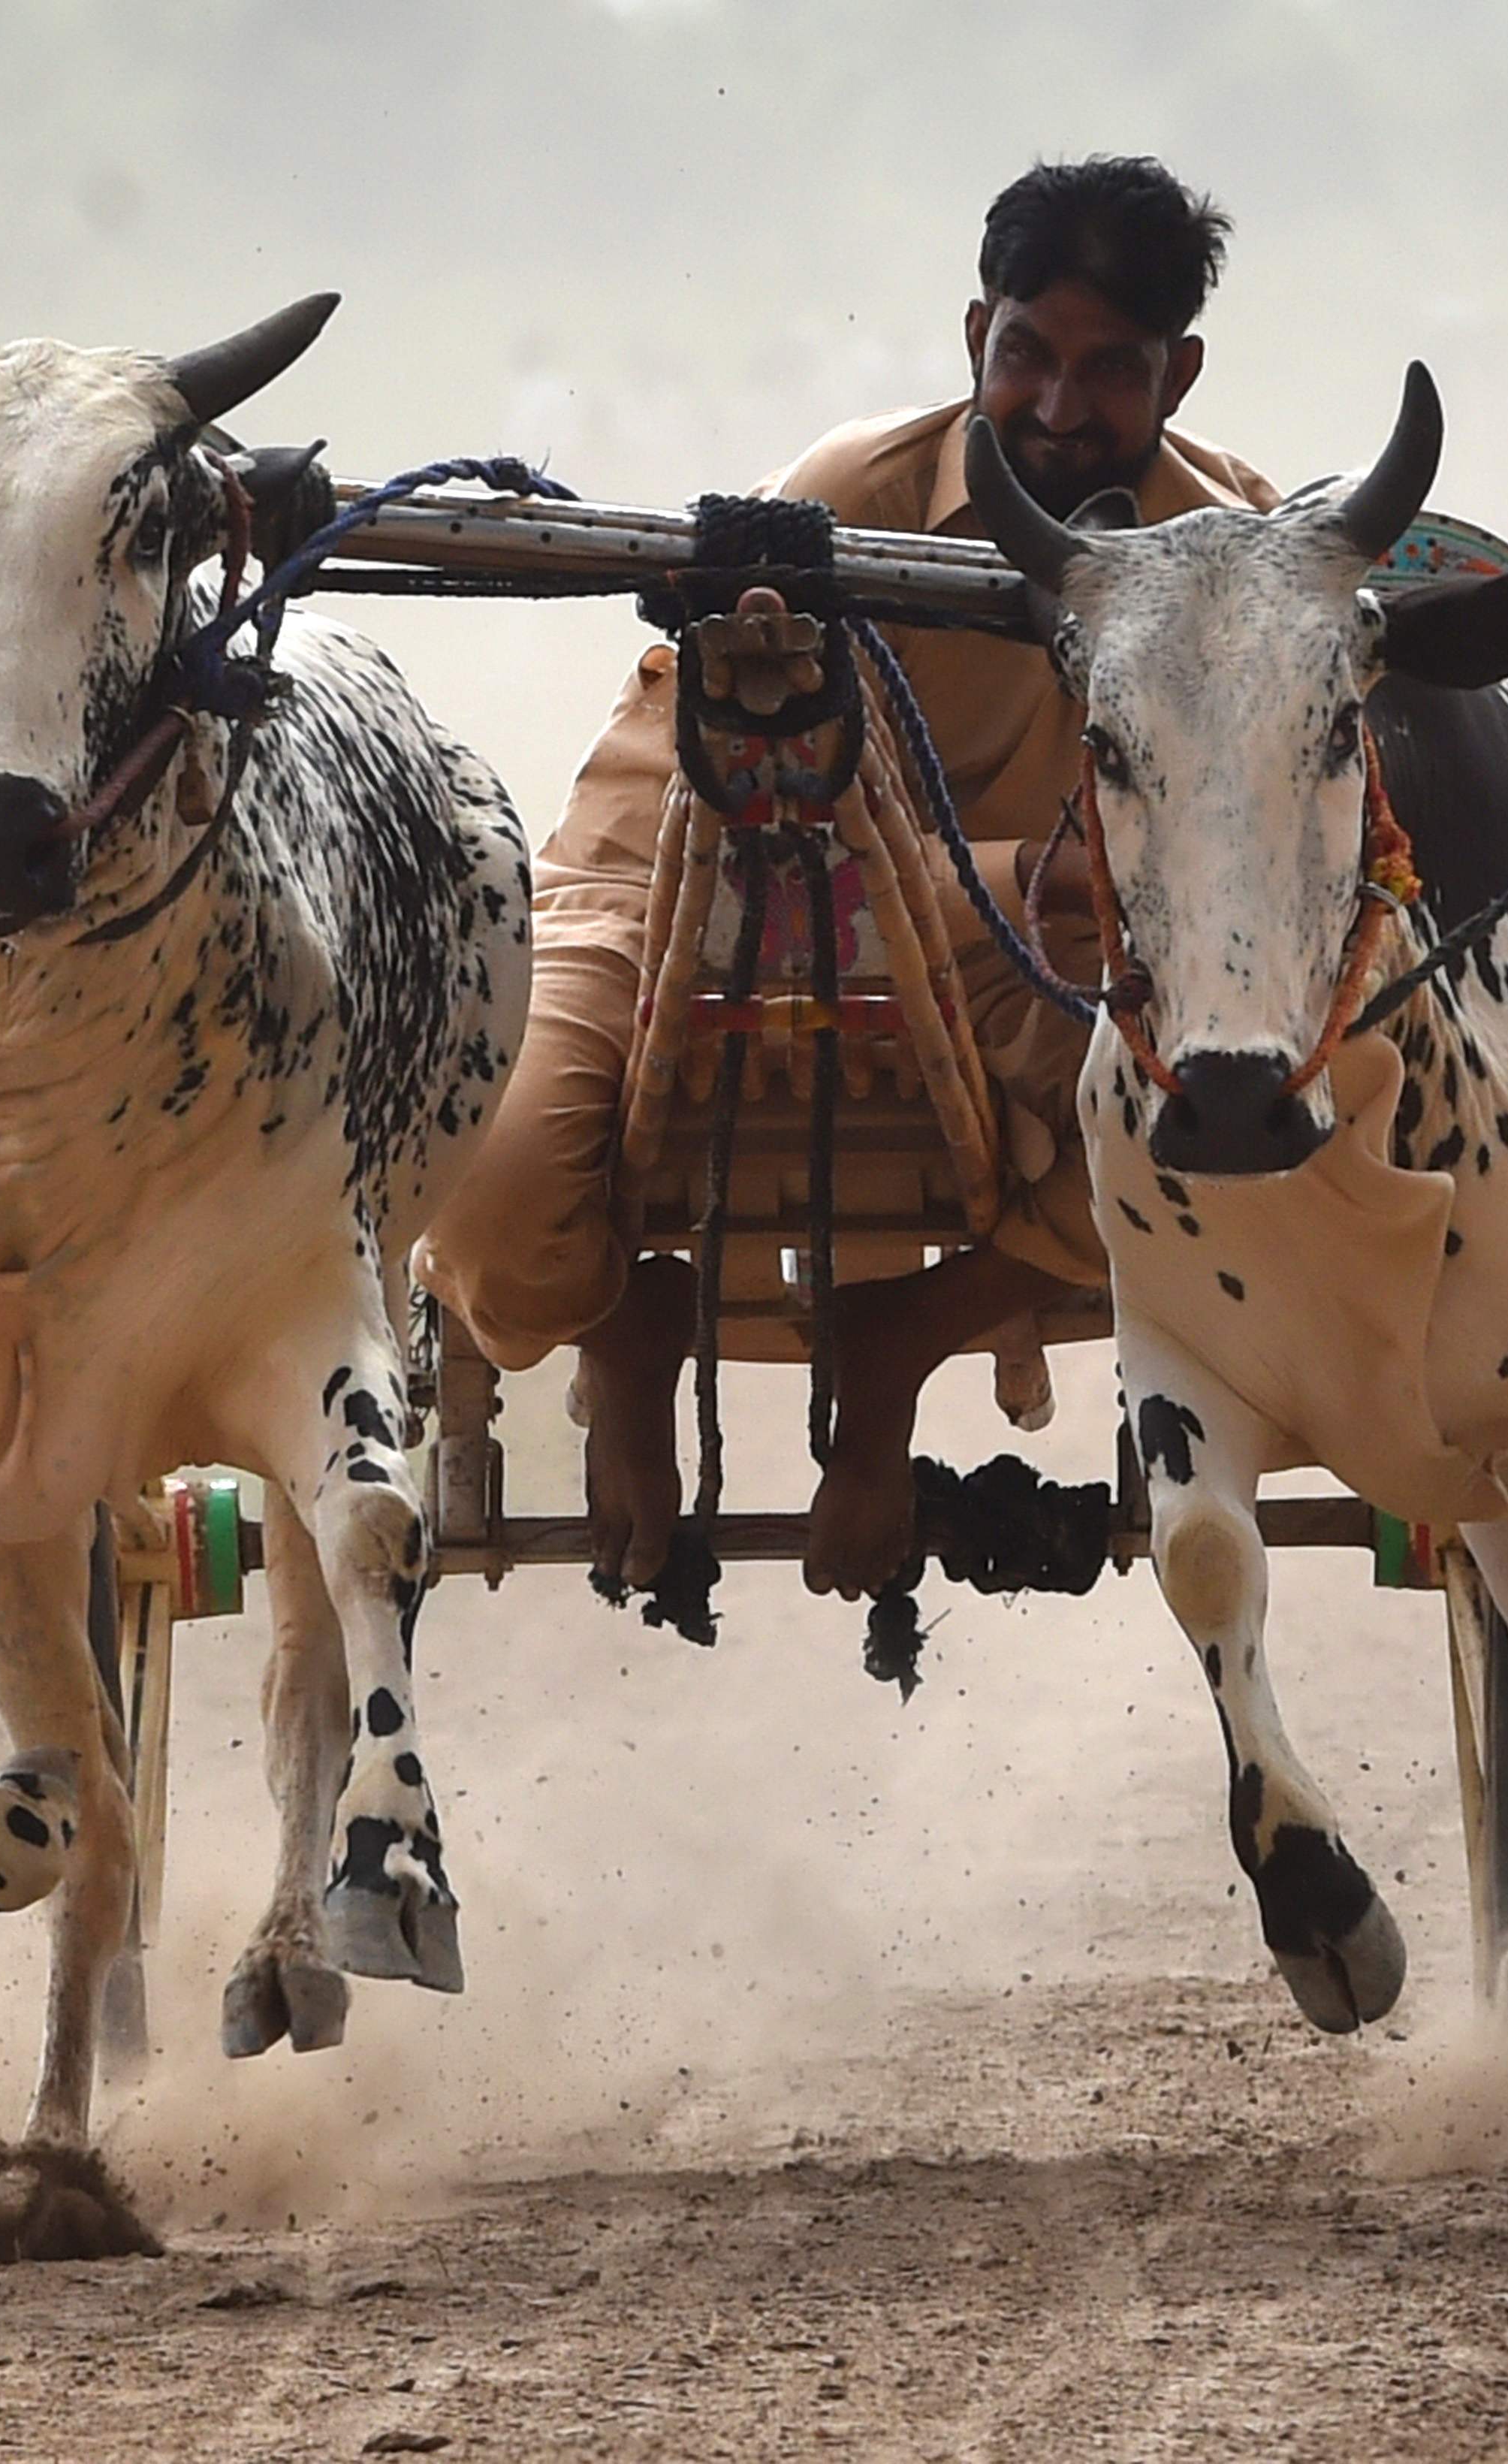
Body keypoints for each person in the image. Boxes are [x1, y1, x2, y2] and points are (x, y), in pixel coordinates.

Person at [421, 156, 1278, 1599]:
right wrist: (1039, 878)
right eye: (1028, 358)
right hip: (680, 893)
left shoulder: (1231, 546)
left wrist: (1065, 898)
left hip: (1018, 950)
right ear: (973, 339)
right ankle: (630, 1328)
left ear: (1177, 378)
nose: (1061, 414)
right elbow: (785, 862)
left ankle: (897, 1347)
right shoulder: (845, 502)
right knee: (497, 1210)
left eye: (1110, 372)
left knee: (1216, 1135)